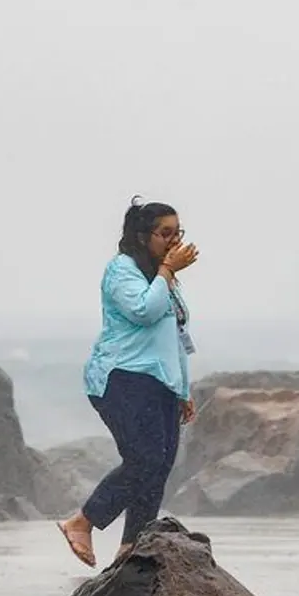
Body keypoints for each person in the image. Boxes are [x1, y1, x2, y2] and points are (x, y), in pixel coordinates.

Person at [57, 198, 199, 568]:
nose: (172, 241)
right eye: (164, 233)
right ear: (142, 235)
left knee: (161, 464)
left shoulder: (163, 276)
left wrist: (183, 389)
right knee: (144, 460)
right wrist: (167, 271)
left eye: (177, 233)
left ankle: (132, 546)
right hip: (122, 377)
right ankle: (82, 521)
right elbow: (143, 311)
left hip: (161, 382)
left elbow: (176, 333)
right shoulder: (122, 270)